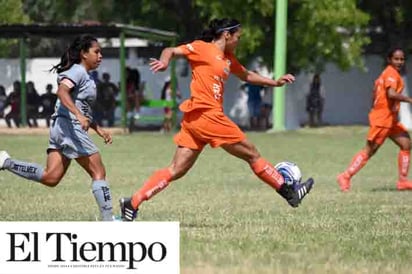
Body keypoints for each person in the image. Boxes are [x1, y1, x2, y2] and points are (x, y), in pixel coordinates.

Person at [119, 18, 315, 221]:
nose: (239, 41)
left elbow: (246, 75)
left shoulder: (228, 58)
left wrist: (274, 82)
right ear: (226, 34)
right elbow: (171, 50)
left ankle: (132, 202)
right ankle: (290, 192)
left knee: (176, 170)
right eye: (238, 37)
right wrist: (164, 61)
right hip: (207, 115)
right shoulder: (201, 48)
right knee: (253, 155)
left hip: (196, 121)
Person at [0, 35, 116, 221]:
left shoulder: (85, 75)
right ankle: (108, 220)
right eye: (97, 52)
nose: (100, 55)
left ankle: (6, 162)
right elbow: (62, 92)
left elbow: (81, 107)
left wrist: (97, 128)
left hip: (61, 127)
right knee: (98, 172)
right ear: (84, 54)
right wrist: (78, 116)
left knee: (50, 177)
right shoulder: (77, 71)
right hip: (70, 127)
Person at [337, 47, 412, 191]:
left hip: (390, 119)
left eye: (402, 59)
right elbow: (391, 94)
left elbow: (376, 96)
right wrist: (409, 99)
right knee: (369, 150)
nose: (399, 61)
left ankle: (403, 181)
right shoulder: (391, 74)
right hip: (383, 119)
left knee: (406, 143)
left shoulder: (387, 74)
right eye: (396, 59)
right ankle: (345, 176)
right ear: (389, 60)